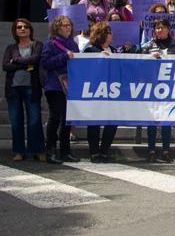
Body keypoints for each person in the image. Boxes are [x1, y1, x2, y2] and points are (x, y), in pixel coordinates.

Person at [2, 19, 45, 162]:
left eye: (26, 26)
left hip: (31, 87)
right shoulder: (11, 48)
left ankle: (37, 150)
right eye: (19, 27)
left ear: (30, 29)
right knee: (16, 121)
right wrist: (26, 64)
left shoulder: (37, 45)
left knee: (34, 120)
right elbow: (6, 66)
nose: (23, 29)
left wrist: (17, 61)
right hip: (13, 88)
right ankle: (19, 151)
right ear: (15, 30)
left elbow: (36, 59)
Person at [142, 18, 175, 162]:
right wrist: (149, 57)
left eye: (162, 27)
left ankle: (166, 150)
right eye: (157, 28)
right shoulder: (148, 46)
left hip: (169, 88)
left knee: (166, 120)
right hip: (152, 87)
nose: (159, 30)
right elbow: (139, 63)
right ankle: (151, 150)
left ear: (168, 29)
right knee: (152, 120)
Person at [41, 15, 80, 164]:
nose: (68, 28)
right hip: (55, 85)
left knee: (67, 119)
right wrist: (64, 57)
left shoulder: (74, 44)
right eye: (64, 25)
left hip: (70, 85)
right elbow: (45, 63)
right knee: (55, 117)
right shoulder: (51, 44)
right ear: (57, 27)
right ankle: (50, 149)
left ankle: (65, 151)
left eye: (69, 25)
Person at [83, 22, 119, 162]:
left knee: (112, 122)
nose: (111, 35)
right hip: (95, 90)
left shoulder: (114, 51)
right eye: (109, 32)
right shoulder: (90, 50)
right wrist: (98, 57)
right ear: (102, 34)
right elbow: (86, 68)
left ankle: (104, 151)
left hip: (112, 91)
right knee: (94, 122)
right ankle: (94, 152)